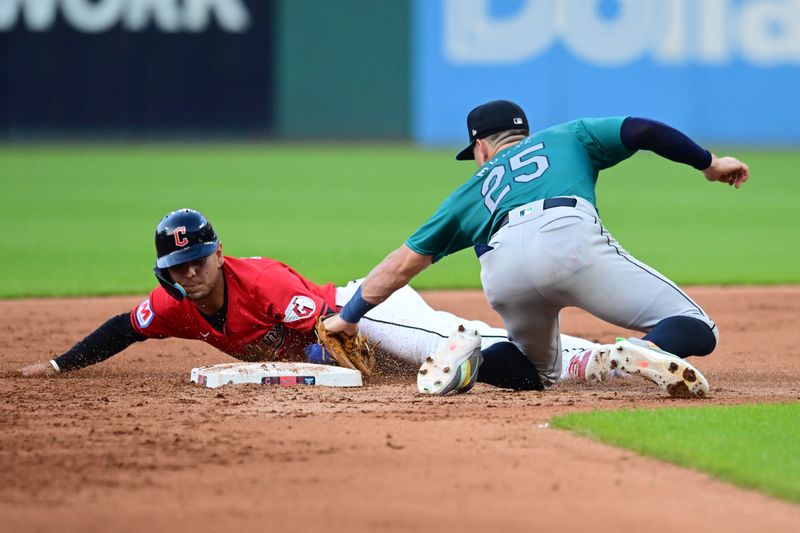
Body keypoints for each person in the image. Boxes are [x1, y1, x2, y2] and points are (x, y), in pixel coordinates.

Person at [324, 100, 750, 398]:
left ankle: (473, 361)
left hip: (501, 269)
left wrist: (347, 318)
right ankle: (648, 351)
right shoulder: (569, 136)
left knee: (538, 372)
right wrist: (709, 164)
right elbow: (643, 130)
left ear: (480, 147)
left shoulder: (469, 191)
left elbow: (400, 266)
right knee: (696, 326)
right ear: (521, 133)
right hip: (568, 240)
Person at [20, 208, 598, 389]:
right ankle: (552, 364)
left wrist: (324, 366)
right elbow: (125, 326)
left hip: (359, 313)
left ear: (219, 254)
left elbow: (331, 331)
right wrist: (57, 364)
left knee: (439, 340)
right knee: (446, 371)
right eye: (177, 266)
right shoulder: (172, 303)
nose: (189, 273)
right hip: (336, 336)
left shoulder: (263, 282)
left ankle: (587, 357)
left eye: (197, 260)